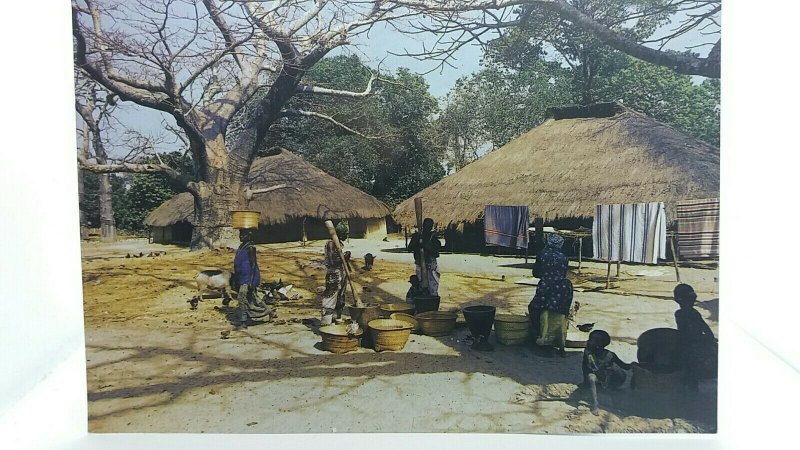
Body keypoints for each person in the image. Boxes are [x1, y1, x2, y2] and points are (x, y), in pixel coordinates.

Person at [528, 233, 573, 356]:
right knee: (560, 314)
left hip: (547, 286)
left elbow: (536, 273)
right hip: (564, 287)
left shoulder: (543, 254)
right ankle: (559, 342)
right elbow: (563, 273)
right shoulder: (564, 256)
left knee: (535, 309)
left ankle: (540, 339)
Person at [673, 283, 718, 391]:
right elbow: (706, 330)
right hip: (692, 344)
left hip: (689, 345)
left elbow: (688, 332)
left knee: (688, 367)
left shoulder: (680, 314)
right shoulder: (692, 313)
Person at [582, 330, 633, 415]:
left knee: (593, 377)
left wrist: (634, 365)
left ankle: (609, 395)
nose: (588, 342)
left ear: (598, 345)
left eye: (591, 341)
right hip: (601, 379)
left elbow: (624, 366)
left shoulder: (609, 355)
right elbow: (587, 368)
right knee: (591, 377)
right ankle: (595, 403)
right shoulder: (589, 353)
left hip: (611, 380)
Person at [233, 228, 271, 329]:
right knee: (253, 297)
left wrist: (250, 280)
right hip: (241, 276)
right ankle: (269, 311)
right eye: (240, 235)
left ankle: (243, 321)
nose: (240, 237)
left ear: (249, 236)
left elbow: (253, 265)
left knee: (241, 298)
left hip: (248, 277)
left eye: (243, 235)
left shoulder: (250, 248)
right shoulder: (241, 246)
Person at [407, 218, 442, 296]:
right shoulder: (416, 236)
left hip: (431, 266)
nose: (428, 228)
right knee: (421, 288)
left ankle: (432, 303)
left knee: (432, 290)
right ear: (423, 225)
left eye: (430, 226)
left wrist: (425, 246)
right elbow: (409, 249)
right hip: (419, 264)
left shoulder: (433, 238)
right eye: (426, 226)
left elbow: (436, 253)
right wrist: (417, 241)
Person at [320, 240, 347, 326]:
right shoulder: (331, 244)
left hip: (341, 273)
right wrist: (344, 258)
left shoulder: (338, 242)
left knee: (340, 297)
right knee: (330, 297)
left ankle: (336, 319)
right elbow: (332, 262)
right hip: (333, 274)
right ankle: (326, 324)